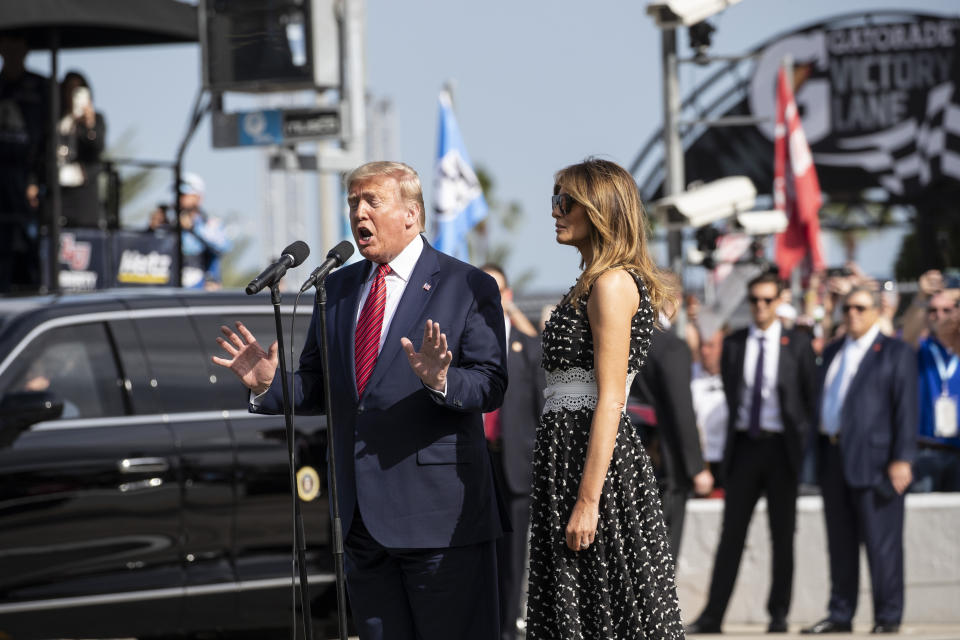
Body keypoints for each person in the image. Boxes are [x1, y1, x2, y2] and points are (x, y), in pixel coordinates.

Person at [213, 161, 507, 640]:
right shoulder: (340, 286)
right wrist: (269, 383)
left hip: (439, 521)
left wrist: (442, 379)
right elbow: (318, 384)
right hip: (360, 523)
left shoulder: (463, 284)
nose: (359, 213)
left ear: (411, 215)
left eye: (373, 201)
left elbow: (492, 385)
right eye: (353, 203)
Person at [525, 158, 685, 639]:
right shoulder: (588, 282)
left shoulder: (612, 284)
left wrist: (588, 501)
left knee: (611, 612)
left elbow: (611, 399)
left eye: (564, 201)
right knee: (581, 613)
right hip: (566, 463)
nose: (555, 211)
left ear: (599, 209)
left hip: (597, 474)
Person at [687, 271, 817, 635]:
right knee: (732, 535)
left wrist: (800, 446)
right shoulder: (736, 344)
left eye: (767, 300)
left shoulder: (798, 345)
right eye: (754, 300)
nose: (760, 307)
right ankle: (713, 615)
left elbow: (810, 401)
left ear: (779, 302)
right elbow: (732, 393)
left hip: (781, 449)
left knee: (782, 535)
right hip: (744, 447)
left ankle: (778, 614)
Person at [802, 287, 917, 635]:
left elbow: (906, 410)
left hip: (877, 462)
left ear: (875, 311)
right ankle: (840, 613)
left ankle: (887, 615)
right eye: (848, 308)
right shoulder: (834, 350)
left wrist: (902, 458)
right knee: (840, 543)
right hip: (833, 456)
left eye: (860, 307)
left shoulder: (894, 352)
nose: (852, 313)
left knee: (883, 545)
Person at [479, 263, 545, 640]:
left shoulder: (528, 347)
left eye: (495, 290)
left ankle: (508, 630)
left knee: (513, 560)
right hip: (475, 465)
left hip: (515, 468)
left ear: (508, 297)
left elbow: (541, 412)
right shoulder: (460, 347)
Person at [631, 300, 713, 562]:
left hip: (625, 457)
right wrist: (696, 466)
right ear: (672, 302)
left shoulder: (622, 339)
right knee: (661, 559)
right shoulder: (671, 346)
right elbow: (681, 410)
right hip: (665, 464)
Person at [0, 34, 47, 292]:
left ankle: (31, 284)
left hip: (28, 180)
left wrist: (37, 180)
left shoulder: (39, 86)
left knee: (29, 241)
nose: (12, 51)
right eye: (7, 45)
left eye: (17, 44)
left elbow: (50, 137)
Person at [912, 291, 960, 492]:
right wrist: (920, 298)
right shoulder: (921, 347)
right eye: (932, 310)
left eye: (946, 310)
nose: (939, 315)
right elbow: (907, 334)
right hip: (925, 450)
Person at [58, 71, 106, 228]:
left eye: (79, 91)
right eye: (70, 90)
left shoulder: (96, 120)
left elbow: (97, 148)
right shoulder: (57, 120)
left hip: (83, 203)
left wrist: (89, 125)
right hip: (58, 199)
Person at [174, 173, 231, 289]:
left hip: (200, 286)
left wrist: (192, 228)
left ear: (198, 197)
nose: (180, 198)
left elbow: (223, 246)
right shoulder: (169, 222)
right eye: (179, 195)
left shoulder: (210, 224)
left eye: (185, 195)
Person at [691, 326, 728, 489]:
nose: (705, 351)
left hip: (728, 460)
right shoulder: (689, 374)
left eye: (711, 346)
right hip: (699, 464)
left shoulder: (735, 375)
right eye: (702, 345)